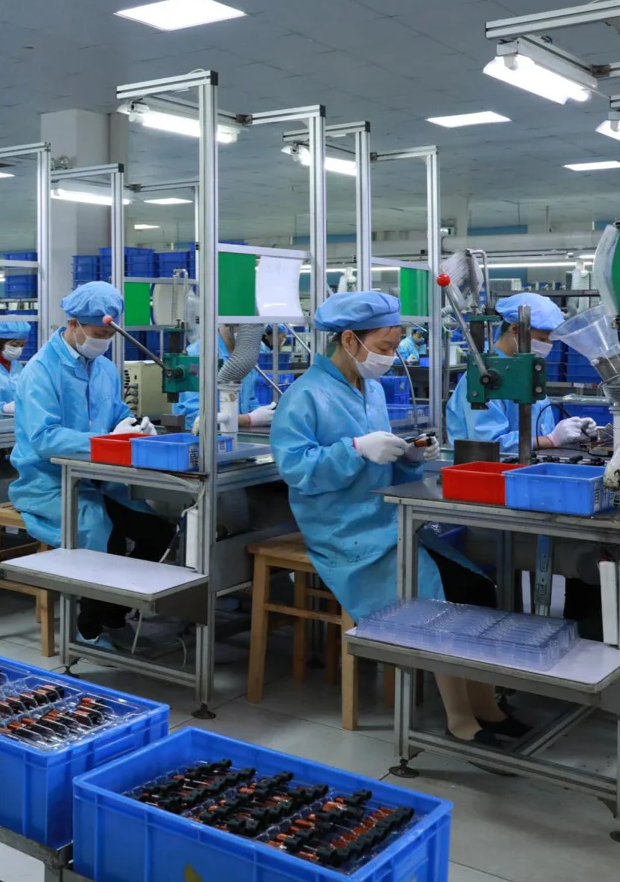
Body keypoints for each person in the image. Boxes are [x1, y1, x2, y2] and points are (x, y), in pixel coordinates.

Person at [271, 290, 523, 745]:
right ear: (350, 339)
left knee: (477, 587)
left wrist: (409, 457)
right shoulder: (304, 395)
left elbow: (384, 464)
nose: (389, 358)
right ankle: (460, 719)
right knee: (439, 599)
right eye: (385, 347)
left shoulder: (369, 390)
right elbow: (296, 469)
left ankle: (487, 705)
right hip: (343, 529)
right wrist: (353, 449)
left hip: (386, 518)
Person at [9, 282, 179, 651]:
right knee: (104, 534)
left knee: (158, 532)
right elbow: (44, 438)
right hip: (48, 482)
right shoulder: (41, 370)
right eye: (98, 334)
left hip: (98, 479)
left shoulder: (103, 369)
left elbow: (116, 412)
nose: (103, 342)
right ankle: (86, 629)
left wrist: (135, 425)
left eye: (108, 336)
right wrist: (105, 440)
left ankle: (114, 615)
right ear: (73, 324)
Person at [447, 293, 595, 457]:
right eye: (542, 339)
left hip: (527, 464)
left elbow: (540, 427)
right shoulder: (483, 377)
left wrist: (572, 432)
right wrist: (552, 439)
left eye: (551, 341)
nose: (548, 346)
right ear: (515, 329)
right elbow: (489, 443)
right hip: (486, 469)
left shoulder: (524, 372)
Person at [174, 324, 275, 430]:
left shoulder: (246, 357)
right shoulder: (197, 355)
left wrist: (265, 415)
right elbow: (195, 418)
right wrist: (248, 419)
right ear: (226, 323)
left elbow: (249, 401)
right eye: (242, 326)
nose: (249, 333)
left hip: (237, 433)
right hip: (202, 437)